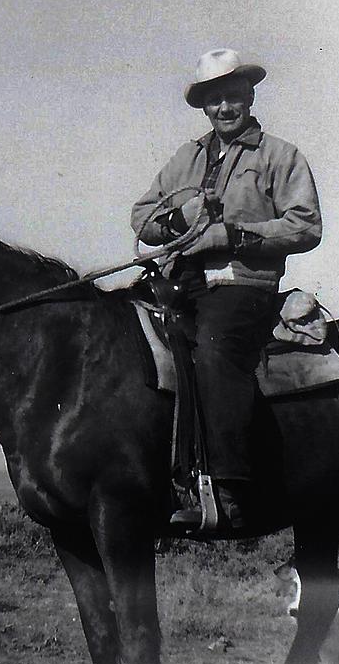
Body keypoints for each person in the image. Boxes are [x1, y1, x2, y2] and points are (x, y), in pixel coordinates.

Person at [132, 48, 322, 528]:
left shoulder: (281, 155)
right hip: (181, 281)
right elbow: (142, 215)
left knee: (214, 351)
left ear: (250, 95)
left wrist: (234, 234)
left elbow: (306, 225)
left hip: (242, 284)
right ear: (204, 105)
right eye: (215, 99)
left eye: (233, 96)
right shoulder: (186, 157)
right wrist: (177, 220)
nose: (225, 107)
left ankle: (229, 490)